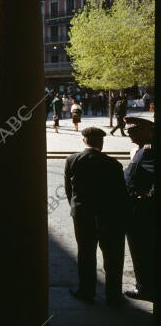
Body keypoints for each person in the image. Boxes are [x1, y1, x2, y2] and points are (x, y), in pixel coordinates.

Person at [64, 127, 129, 306]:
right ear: (101, 143)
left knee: (86, 253)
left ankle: (86, 291)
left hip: (83, 215)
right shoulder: (113, 164)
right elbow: (120, 194)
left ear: (84, 141)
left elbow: (69, 191)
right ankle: (113, 295)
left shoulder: (72, 160)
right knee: (112, 256)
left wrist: (76, 208)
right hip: (108, 215)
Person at [122, 117, 155, 302]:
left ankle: (145, 288)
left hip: (142, 211)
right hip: (137, 208)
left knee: (142, 250)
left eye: (134, 130)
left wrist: (149, 196)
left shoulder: (150, 150)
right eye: (128, 131)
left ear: (147, 130)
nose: (129, 134)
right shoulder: (142, 148)